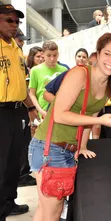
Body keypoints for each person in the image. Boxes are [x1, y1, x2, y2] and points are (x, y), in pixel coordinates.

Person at [28, 32, 111, 220]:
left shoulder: (109, 85)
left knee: (46, 210)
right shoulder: (79, 74)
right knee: (52, 211)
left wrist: (81, 146)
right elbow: (59, 114)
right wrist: (101, 120)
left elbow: (89, 115)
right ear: (97, 54)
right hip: (50, 148)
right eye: (107, 53)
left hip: (66, 148)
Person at [0, 4, 39, 220]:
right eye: (9, 20)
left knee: (14, 162)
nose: (14, 26)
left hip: (17, 112)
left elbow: (20, 85)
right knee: (1, 164)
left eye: (17, 21)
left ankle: (8, 203)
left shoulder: (16, 49)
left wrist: (31, 107)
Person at [13, 29, 37, 187]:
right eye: (20, 40)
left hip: (20, 106)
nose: (22, 43)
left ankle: (22, 173)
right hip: (16, 106)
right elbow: (20, 87)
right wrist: (31, 107)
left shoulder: (19, 56)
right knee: (19, 144)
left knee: (22, 142)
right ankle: (21, 175)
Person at [29, 40, 68, 118]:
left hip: (61, 111)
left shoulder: (64, 70)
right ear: (43, 55)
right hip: (44, 112)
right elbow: (32, 94)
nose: (52, 58)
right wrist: (40, 111)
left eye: (55, 55)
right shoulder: (35, 70)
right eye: (49, 55)